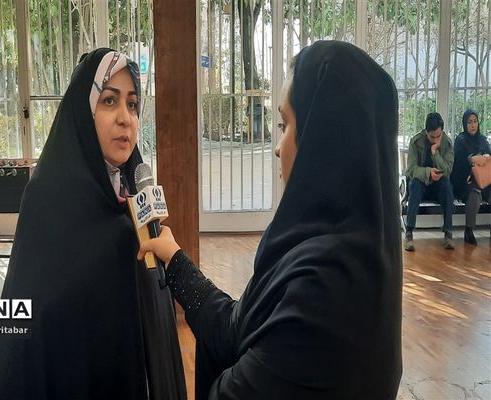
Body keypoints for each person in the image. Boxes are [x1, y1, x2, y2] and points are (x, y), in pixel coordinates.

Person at [139, 40, 402, 400]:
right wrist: (175, 260)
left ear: (326, 139)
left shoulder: (326, 288)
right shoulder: (351, 253)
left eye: (285, 124)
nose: (278, 148)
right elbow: (235, 328)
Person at [0, 49, 187, 399]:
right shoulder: (48, 196)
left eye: (132, 104)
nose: (125, 118)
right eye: (109, 101)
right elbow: (34, 320)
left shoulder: (135, 191)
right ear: (83, 111)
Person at [404, 112, 455, 251]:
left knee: (447, 186)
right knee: (414, 184)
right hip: (421, 184)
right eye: (432, 137)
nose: (435, 140)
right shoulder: (416, 141)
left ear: (442, 131)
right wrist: (428, 173)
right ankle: (409, 233)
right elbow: (411, 169)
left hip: (438, 185)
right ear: (426, 131)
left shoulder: (447, 143)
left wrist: (435, 153)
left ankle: (448, 233)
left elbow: (447, 170)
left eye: (439, 136)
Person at [450, 109, 491, 246]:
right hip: (466, 181)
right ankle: (469, 230)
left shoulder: (483, 140)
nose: (473, 125)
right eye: (469, 122)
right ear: (464, 124)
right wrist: (471, 159)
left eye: (475, 121)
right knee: (474, 194)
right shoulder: (460, 141)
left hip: (485, 180)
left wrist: (487, 157)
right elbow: (457, 164)